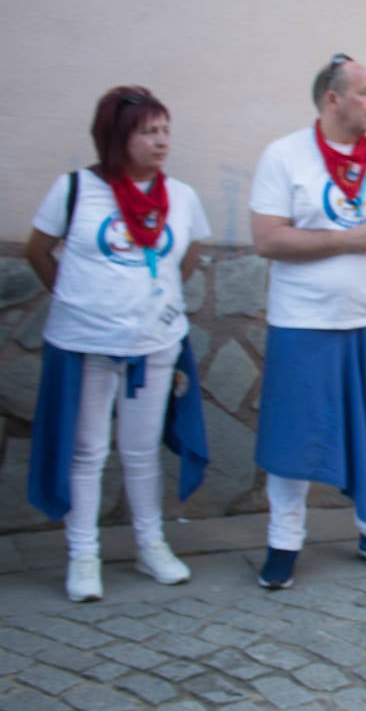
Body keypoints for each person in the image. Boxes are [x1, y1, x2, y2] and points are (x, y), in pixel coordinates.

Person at [25, 87, 210, 603]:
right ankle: (83, 555)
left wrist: (151, 304)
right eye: (147, 131)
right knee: (87, 451)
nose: (161, 141)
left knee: (141, 449)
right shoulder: (76, 191)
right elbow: (37, 251)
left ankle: (150, 546)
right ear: (116, 137)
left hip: (155, 343)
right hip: (87, 344)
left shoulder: (182, 198)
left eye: (165, 130)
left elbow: (186, 257)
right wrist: (83, 300)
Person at [250, 53, 366, 590]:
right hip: (305, 322)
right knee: (295, 433)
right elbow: (267, 238)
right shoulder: (285, 156)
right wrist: (345, 240)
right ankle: (284, 540)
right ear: (333, 98)